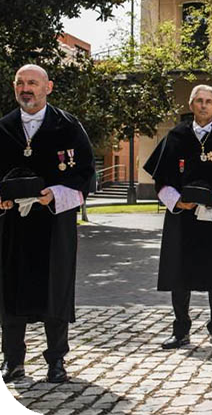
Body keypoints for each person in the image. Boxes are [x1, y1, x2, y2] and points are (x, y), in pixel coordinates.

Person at [0, 64, 94, 383]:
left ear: (48, 87)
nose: (26, 89)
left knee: (56, 289)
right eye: (20, 83)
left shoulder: (68, 127)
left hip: (54, 226)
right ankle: (13, 360)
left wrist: (53, 194)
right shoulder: (4, 128)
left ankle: (56, 361)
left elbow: (85, 176)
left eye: (33, 83)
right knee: (9, 290)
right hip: (12, 226)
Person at [143, 85, 212, 351]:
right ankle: (180, 331)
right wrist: (177, 201)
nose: (204, 106)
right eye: (199, 101)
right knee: (179, 272)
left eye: (209, 102)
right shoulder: (176, 136)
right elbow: (161, 180)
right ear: (191, 104)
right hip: (182, 216)